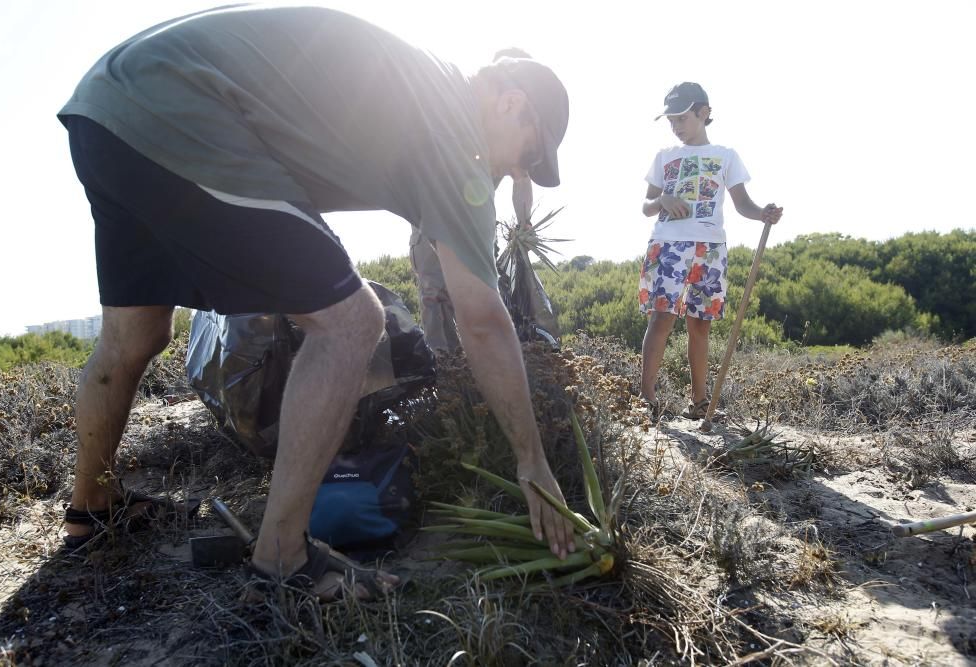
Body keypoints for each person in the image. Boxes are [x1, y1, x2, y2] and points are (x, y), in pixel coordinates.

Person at [58, 5, 575, 601]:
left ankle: (91, 508)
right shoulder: (457, 131)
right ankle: (282, 556)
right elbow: (481, 320)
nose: (519, 173)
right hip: (185, 108)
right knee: (353, 323)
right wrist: (533, 464)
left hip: (107, 109)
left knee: (135, 336)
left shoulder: (429, 87)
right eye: (531, 156)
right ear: (512, 104)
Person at [639, 82, 783, 420]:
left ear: (703, 113)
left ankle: (699, 402)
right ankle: (645, 400)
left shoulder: (726, 156)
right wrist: (662, 200)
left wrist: (763, 213)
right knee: (662, 317)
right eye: (671, 120)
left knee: (700, 324)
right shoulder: (664, 157)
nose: (676, 126)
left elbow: (743, 204)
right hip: (668, 245)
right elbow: (646, 206)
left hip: (710, 248)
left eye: (682, 118)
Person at [410, 48, 535, 353]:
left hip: (477, 228)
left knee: (483, 299)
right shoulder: (458, 112)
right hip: (430, 225)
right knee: (435, 296)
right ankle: (448, 378)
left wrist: (524, 222)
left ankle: (486, 372)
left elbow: (522, 180)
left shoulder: (514, 128)